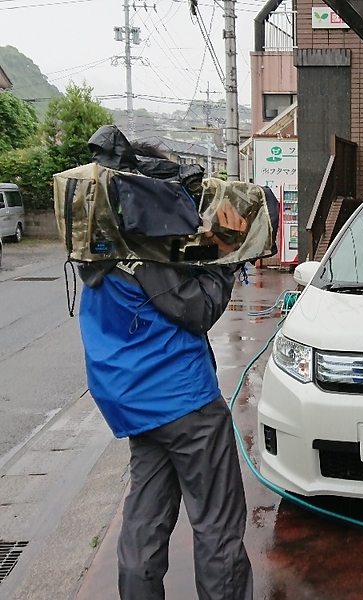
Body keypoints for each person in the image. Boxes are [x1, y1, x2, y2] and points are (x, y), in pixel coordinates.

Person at [76, 143, 253, 599]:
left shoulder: (101, 249)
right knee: (217, 525)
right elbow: (198, 308)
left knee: (144, 523)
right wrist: (227, 258)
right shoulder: (149, 255)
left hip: (133, 407)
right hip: (185, 405)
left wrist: (205, 249)